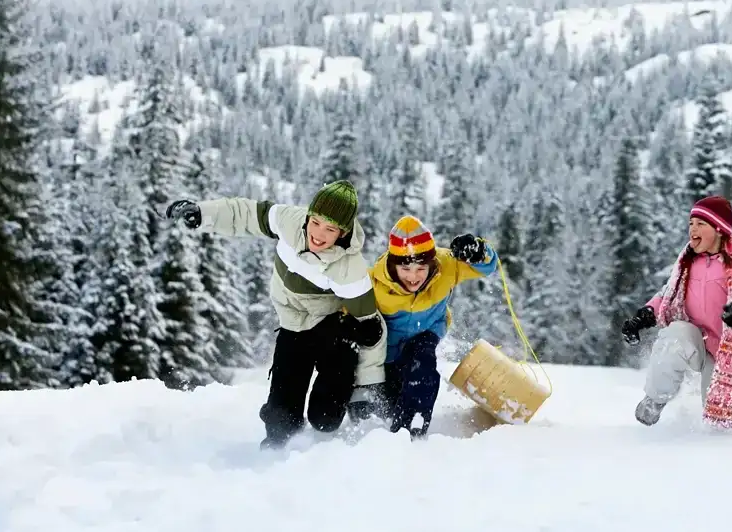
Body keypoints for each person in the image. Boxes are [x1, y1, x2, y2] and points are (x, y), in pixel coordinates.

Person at [165, 180, 386, 449]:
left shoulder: (350, 270)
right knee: (282, 419)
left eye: (330, 229)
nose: (318, 234)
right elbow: (245, 213)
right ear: (308, 216)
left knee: (325, 419)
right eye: (315, 222)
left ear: (343, 232)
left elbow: (371, 330)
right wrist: (204, 213)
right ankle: (277, 448)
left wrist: (365, 388)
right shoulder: (289, 221)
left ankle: (341, 392)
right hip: (292, 323)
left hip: (332, 330)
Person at [620, 195, 732, 426]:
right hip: (694, 341)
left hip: (725, 353)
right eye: (691, 223)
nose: (692, 229)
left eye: (700, 224)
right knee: (675, 336)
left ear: (718, 229)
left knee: (721, 424)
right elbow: (668, 294)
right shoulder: (688, 263)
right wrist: (643, 316)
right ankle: (655, 399)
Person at [361, 215, 498, 438]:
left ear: (431, 263)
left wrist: (479, 250)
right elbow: (347, 307)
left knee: (422, 367)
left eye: (420, 268)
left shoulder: (447, 265)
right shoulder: (375, 283)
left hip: (426, 332)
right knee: (389, 399)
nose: (413, 277)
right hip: (387, 350)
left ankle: (411, 430)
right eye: (405, 269)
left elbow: (488, 266)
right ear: (393, 265)